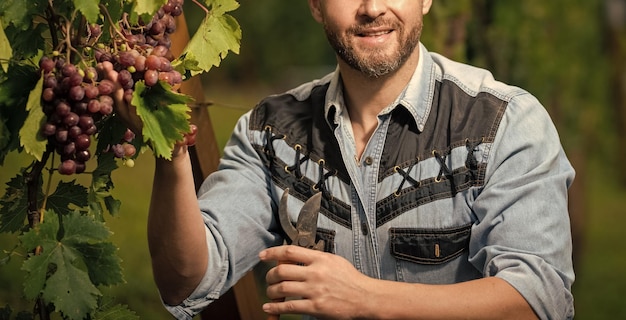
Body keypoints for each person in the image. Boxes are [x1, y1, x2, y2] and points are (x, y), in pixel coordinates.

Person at [114, 0, 576, 319]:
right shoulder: (269, 132)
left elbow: (539, 300)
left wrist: (365, 298)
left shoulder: (503, 122)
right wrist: (170, 151)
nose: (372, 8)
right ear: (315, 5)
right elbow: (186, 281)